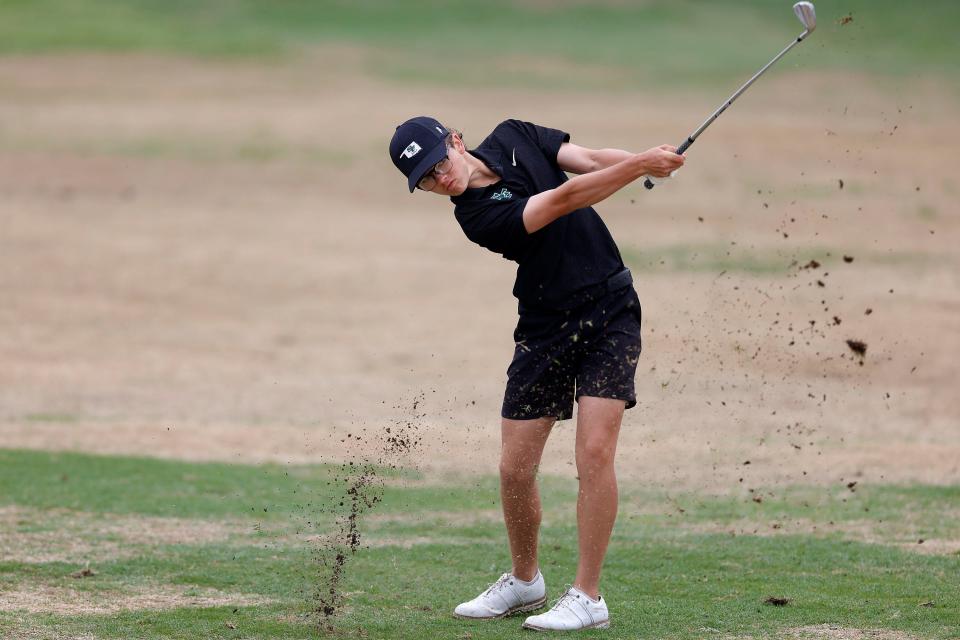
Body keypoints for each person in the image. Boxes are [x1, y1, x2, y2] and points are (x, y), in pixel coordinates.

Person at [389, 116, 684, 632]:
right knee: (515, 468)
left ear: (456, 141)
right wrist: (641, 165)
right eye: (427, 180)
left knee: (594, 451)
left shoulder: (515, 135)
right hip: (545, 324)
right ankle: (526, 582)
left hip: (611, 308)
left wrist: (646, 161)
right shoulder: (476, 217)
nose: (442, 179)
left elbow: (589, 162)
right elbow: (564, 200)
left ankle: (588, 598)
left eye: (440, 163)